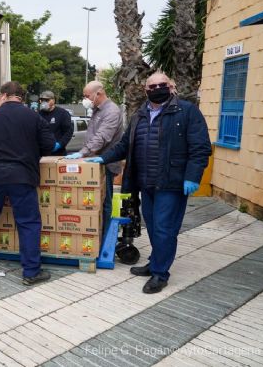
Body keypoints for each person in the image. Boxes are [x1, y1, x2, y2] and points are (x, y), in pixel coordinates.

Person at [86, 72, 211, 294]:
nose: (157, 88)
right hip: (145, 183)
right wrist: (103, 158)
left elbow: (200, 147)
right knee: (153, 226)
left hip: (171, 183)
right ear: (146, 90)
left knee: (164, 229)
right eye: (152, 86)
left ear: (171, 87)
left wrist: (192, 175)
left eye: (162, 84)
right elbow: (125, 145)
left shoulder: (186, 111)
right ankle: (155, 262)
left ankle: (160, 274)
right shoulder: (139, 115)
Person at [0, 81, 56, 285]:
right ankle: (31, 272)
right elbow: (49, 145)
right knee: (28, 222)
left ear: (4, 96)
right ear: (20, 97)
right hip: (23, 176)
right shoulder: (34, 117)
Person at [65, 81, 123, 226]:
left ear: (99, 93)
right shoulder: (98, 109)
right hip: (94, 163)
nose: (84, 99)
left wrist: (82, 153)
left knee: (105, 201)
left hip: (106, 164)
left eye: (87, 96)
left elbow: (102, 137)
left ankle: (105, 236)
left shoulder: (111, 111)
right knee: (94, 201)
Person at [38, 90, 73, 155]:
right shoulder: (38, 114)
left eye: (46, 100)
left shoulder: (62, 113)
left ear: (53, 100)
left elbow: (68, 132)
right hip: (41, 153)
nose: (43, 102)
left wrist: (60, 144)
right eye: (42, 100)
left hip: (58, 153)